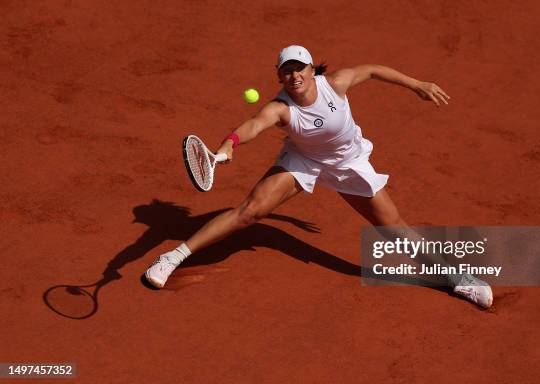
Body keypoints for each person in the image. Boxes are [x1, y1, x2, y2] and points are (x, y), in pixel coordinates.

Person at [144, 45, 493, 308]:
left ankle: (457, 278)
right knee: (249, 212)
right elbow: (254, 124)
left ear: (312, 70)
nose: (294, 76)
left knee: (393, 228)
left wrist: (416, 83)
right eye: (286, 72)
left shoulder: (336, 84)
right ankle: (172, 257)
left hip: (349, 164)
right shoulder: (281, 107)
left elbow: (371, 70)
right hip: (305, 161)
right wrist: (231, 143)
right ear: (280, 77)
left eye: (300, 69)